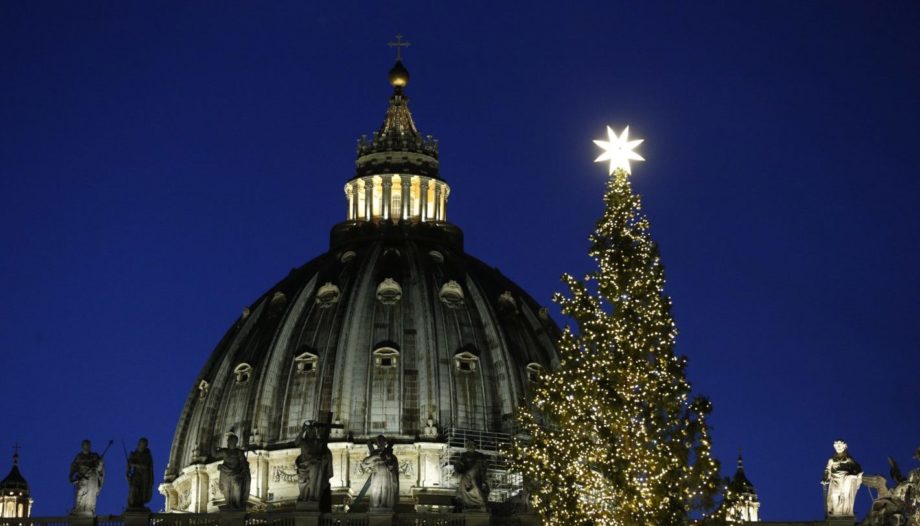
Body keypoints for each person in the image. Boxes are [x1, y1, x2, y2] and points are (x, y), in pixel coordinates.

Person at [294, 421, 333, 505]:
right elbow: (296, 442)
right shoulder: (303, 442)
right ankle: (310, 495)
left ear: (315, 433)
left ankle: (312, 495)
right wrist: (302, 431)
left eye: (312, 431)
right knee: (314, 467)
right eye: (309, 431)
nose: (311, 433)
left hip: (315, 463)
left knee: (315, 467)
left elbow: (325, 452)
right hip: (304, 465)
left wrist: (324, 457)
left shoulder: (318, 443)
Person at [823, 439, 863, 517]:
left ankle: (845, 512)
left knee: (846, 496)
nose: (838, 447)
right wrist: (826, 478)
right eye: (836, 446)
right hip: (835, 480)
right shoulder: (831, 460)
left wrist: (855, 474)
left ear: (844, 447)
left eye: (840, 445)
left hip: (846, 479)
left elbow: (858, 468)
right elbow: (827, 470)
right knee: (834, 495)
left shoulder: (849, 459)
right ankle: (836, 513)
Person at [361, 435, 399, 510]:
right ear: (376, 444)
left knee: (385, 489)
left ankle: (384, 505)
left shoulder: (390, 455)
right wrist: (375, 456)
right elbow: (364, 463)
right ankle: (375, 505)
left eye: (381, 441)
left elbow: (393, 466)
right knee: (376, 489)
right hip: (377, 474)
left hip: (386, 474)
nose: (380, 443)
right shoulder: (374, 453)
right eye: (378, 442)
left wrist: (388, 460)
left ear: (385, 443)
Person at [215, 433, 251, 510]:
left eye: (229, 440)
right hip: (226, 474)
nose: (228, 442)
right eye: (228, 441)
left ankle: (237, 506)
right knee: (227, 493)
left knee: (237, 490)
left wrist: (244, 470)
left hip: (236, 474)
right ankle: (231, 506)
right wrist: (213, 444)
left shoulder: (239, 452)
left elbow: (244, 463)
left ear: (233, 442)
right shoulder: (224, 451)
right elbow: (214, 454)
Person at [69, 440, 104, 516]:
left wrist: (99, 463)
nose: (86, 447)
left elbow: (100, 468)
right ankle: (79, 509)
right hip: (82, 478)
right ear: (82, 446)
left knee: (90, 497)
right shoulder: (79, 457)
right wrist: (71, 476)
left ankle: (88, 510)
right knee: (80, 494)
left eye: (88, 445)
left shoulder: (94, 456)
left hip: (91, 479)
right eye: (85, 445)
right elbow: (73, 467)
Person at [455, 441, 489, 509]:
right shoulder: (463, 455)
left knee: (475, 483)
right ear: (467, 447)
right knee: (466, 481)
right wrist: (459, 471)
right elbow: (459, 465)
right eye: (470, 445)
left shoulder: (480, 455)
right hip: (467, 474)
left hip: (477, 474)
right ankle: (473, 502)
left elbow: (484, 466)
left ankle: (480, 501)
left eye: (473, 445)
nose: (472, 447)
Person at [126, 438, 154, 511]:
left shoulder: (147, 456)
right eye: (142, 444)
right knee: (134, 489)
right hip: (136, 476)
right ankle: (133, 504)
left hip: (144, 477)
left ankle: (139, 504)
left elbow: (147, 467)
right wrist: (128, 473)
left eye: (144, 445)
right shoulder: (133, 454)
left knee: (142, 492)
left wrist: (134, 464)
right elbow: (128, 467)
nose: (143, 446)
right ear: (139, 444)